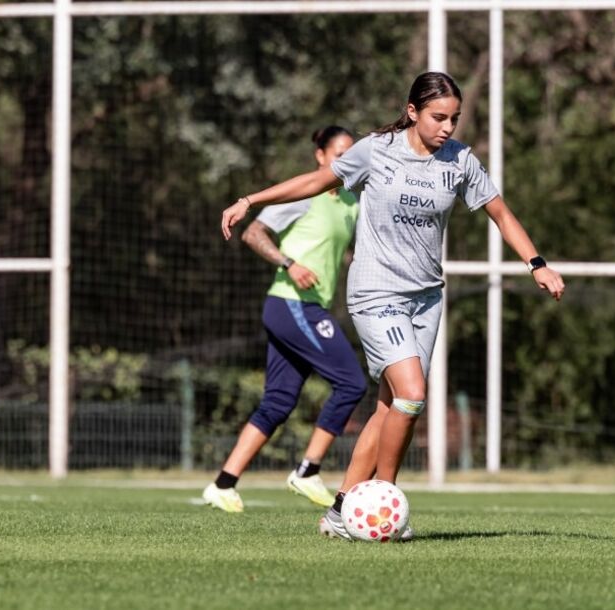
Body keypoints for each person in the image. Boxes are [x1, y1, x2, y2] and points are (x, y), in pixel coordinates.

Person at [221, 72, 565, 538]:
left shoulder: (460, 160)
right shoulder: (376, 150)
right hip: (376, 292)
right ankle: (386, 500)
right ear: (412, 111)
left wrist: (536, 263)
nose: (447, 127)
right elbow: (317, 180)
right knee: (412, 392)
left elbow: (501, 214)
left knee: (390, 407)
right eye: (438, 117)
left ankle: (341, 511)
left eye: (454, 118)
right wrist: (250, 199)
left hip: (426, 298)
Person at [203, 126, 369, 513]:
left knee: (278, 401)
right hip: (292, 304)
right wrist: (288, 263)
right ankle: (308, 471)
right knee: (351, 382)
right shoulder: (305, 195)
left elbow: (343, 253)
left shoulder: (350, 202)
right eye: (339, 154)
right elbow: (254, 233)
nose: (346, 161)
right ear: (320, 156)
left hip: (309, 307)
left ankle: (223, 484)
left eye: (351, 155)